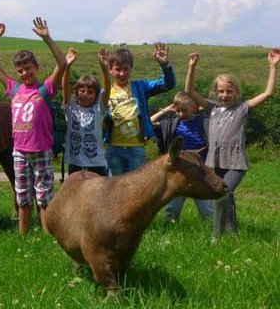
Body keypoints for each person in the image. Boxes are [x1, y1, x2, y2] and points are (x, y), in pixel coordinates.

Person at [185, 49, 280, 237]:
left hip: (236, 162)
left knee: (223, 192)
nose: (225, 95)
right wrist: (191, 68)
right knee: (225, 197)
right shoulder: (212, 107)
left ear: (236, 91)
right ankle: (232, 234)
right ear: (215, 92)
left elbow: (268, 93)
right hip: (215, 160)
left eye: (229, 91)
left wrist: (272, 66)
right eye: (221, 91)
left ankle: (216, 235)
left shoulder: (242, 108)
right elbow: (189, 91)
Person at [0, 18, 66, 235]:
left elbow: (62, 64)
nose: (25, 73)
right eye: (20, 70)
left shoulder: (45, 89)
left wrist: (47, 38)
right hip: (20, 152)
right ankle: (23, 238)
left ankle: (48, 237)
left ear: (36, 68)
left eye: (28, 68)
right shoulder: (14, 89)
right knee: (23, 197)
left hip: (41, 151)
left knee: (44, 198)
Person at [105, 43, 176, 176]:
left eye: (126, 69)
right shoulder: (105, 92)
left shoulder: (140, 87)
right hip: (113, 148)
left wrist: (165, 65)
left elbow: (168, 84)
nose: (122, 73)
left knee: (137, 191)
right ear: (110, 70)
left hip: (136, 148)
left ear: (131, 69)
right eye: (118, 69)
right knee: (114, 190)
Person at [151, 92, 213, 225]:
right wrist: (166, 110)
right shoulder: (171, 124)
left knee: (206, 207)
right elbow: (149, 122)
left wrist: (201, 103)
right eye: (177, 110)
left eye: (184, 110)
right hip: (179, 171)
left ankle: (212, 229)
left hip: (199, 171)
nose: (180, 114)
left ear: (195, 108)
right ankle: (168, 228)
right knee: (173, 206)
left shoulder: (204, 122)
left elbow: (216, 109)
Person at [61, 47, 111, 177]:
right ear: (76, 93)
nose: (85, 94)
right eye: (82, 91)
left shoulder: (98, 108)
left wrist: (105, 70)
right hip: (75, 163)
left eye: (90, 92)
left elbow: (107, 90)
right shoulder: (71, 107)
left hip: (96, 164)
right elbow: (64, 87)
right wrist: (67, 67)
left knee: (99, 195)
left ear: (96, 96)